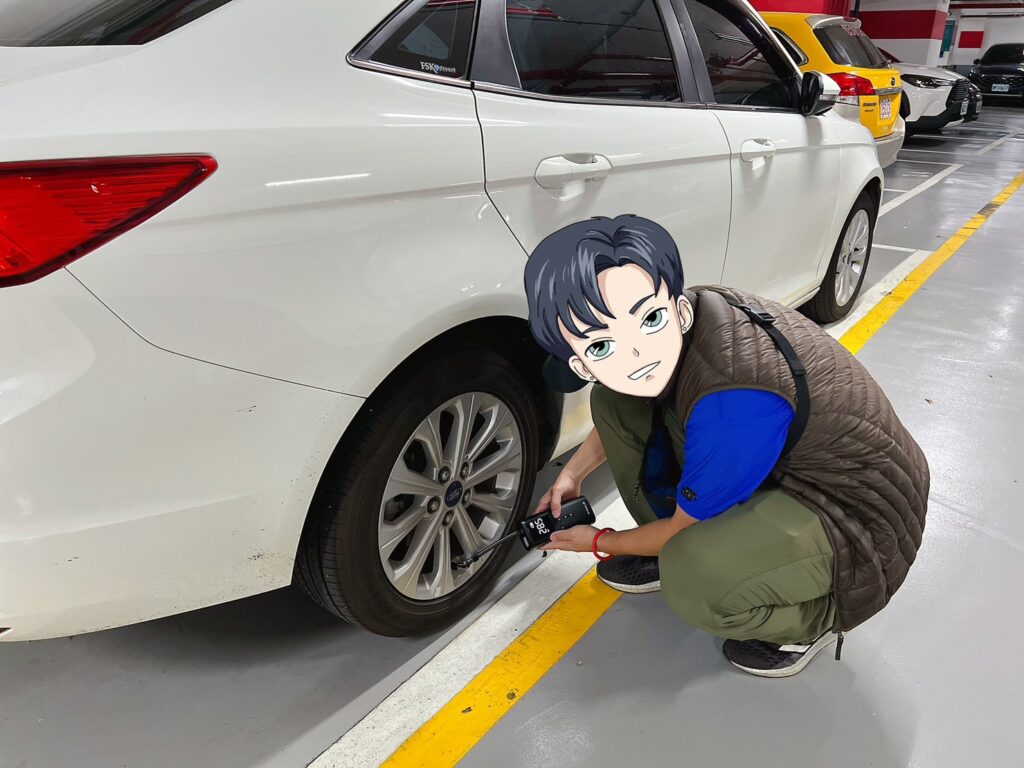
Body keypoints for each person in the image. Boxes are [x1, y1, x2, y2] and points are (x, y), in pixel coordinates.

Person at [525, 214, 930, 677]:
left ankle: (811, 623)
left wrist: (599, 541)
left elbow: (684, 524)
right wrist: (571, 474)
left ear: (677, 311)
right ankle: (673, 543)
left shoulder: (731, 401)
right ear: (580, 363)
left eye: (649, 320)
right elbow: (622, 395)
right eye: (601, 347)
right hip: (798, 463)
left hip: (859, 521)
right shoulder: (691, 315)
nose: (634, 354)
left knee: (691, 572)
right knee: (615, 399)